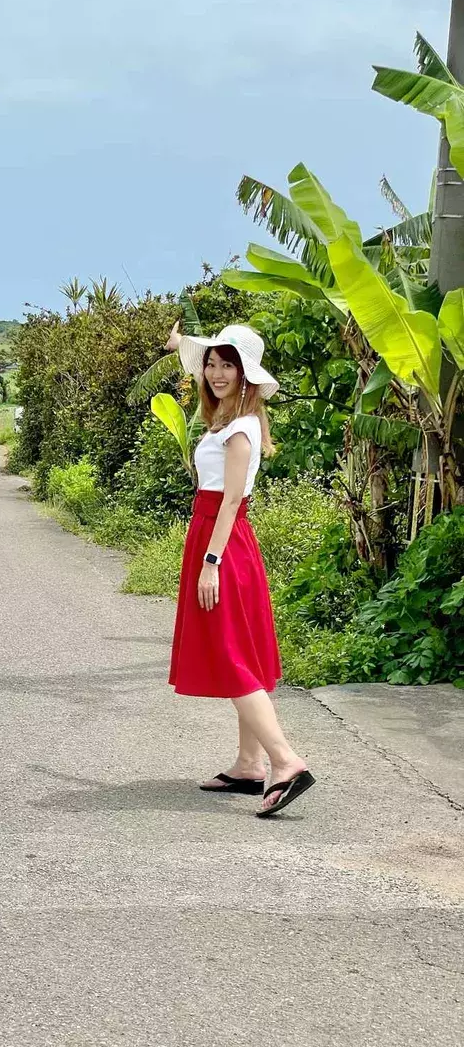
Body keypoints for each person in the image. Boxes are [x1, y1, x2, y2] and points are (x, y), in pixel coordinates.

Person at [165, 321, 315, 818]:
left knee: (231, 658)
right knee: (242, 654)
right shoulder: (225, 419)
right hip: (222, 540)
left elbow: (230, 500)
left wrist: (211, 563)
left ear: (247, 374)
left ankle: (285, 761)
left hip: (221, 542)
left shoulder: (241, 427)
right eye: (211, 363)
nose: (216, 372)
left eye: (228, 364)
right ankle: (250, 765)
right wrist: (181, 346)